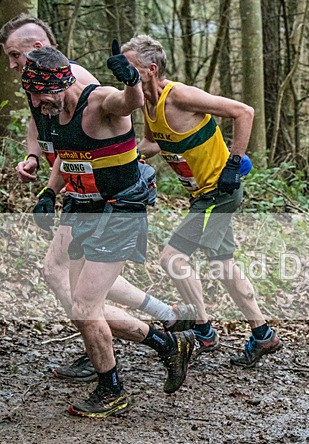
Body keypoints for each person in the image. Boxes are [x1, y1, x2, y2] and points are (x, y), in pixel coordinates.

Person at [0, 14, 196, 383]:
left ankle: (112, 365)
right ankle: (158, 337)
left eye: (14, 55)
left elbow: (125, 103)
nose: (11, 65)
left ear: (38, 50)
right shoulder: (48, 97)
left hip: (117, 206)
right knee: (79, 299)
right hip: (82, 203)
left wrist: (133, 81)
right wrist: (48, 189)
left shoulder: (87, 92)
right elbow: (64, 147)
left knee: (82, 300)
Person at [120, 35, 281, 367]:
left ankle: (203, 329)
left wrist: (234, 164)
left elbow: (244, 112)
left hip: (217, 193)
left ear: (150, 69)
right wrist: (124, 158)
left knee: (171, 258)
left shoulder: (179, 96)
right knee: (224, 265)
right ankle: (263, 333)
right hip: (201, 196)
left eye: (130, 67)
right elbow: (153, 143)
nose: (123, 73)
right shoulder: (147, 106)